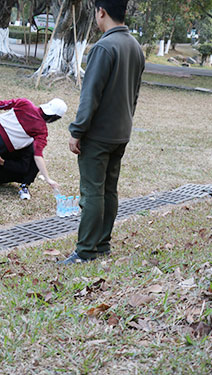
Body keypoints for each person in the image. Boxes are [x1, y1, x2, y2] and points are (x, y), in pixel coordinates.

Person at [61, 0, 145, 265]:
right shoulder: (135, 47)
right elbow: (134, 95)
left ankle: (85, 251)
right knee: (109, 189)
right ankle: (103, 244)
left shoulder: (104, 47)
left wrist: (77, 130)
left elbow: (90, 95)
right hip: (121, 133)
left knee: (92, 192)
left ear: (101, 12)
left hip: (97, 136)